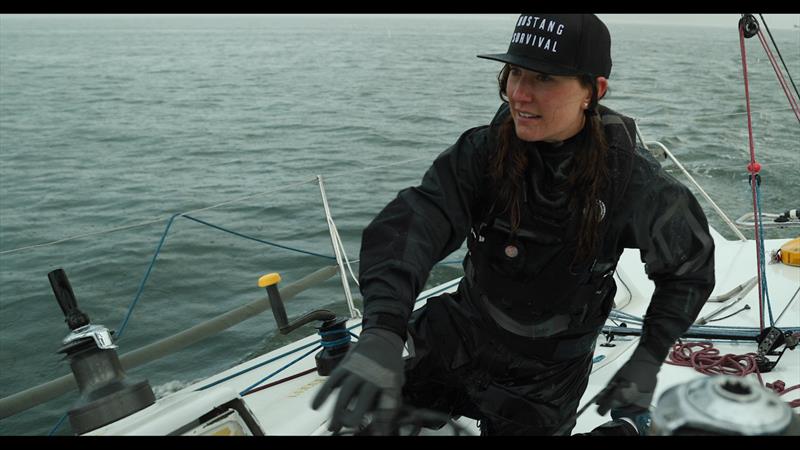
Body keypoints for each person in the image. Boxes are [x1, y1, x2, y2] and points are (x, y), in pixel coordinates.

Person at [312, 13, 716, 436]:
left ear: (592, 92)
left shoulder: (635, 184)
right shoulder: (482, 154)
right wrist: (383, 329)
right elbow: (415, 223)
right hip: (460, 329)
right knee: (368, 418)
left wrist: (648, 358)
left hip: (545, 373)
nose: (519, 94)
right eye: (514, 73)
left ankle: (628, 429)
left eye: (544, 78)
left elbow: (688, 269)